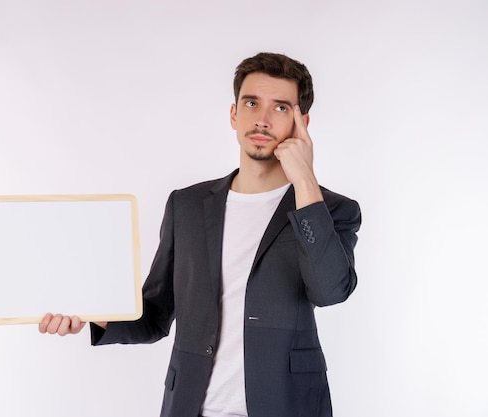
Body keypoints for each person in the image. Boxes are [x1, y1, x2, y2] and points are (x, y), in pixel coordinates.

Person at [39, 52, 361, 417]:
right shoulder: (187, 205)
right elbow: (155, 314)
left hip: (287, 405)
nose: (262, 119)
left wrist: (304, 179)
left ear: (302, 124)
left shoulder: (330, 209)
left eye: (281, 108)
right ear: (233, 114)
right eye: (251, 103)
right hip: (192, 407)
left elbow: (330, 290)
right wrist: (95, 312)